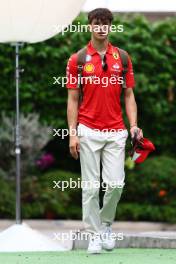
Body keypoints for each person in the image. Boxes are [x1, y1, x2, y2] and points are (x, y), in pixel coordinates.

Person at [66, 8, 143, 254]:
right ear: (89, 26)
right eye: (96, 24)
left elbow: (129, 95)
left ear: (110, 26)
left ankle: (106, 226)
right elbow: (73, 99)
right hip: (87, 130)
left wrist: (133, 126)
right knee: (90, 187)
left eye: (105, 24)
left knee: (116, 184)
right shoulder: (77, 59)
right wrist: (73, 133)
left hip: (116, 131)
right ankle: (94, 236)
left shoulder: (122, 57)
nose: (101, 28)